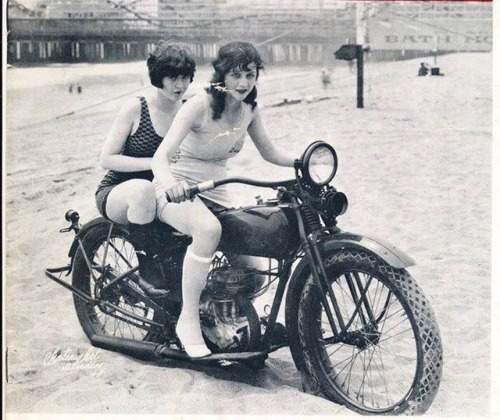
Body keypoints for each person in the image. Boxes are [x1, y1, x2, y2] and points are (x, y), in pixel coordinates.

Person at [151, 41, 296, 358]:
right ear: (221, 76)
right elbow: (160, 159)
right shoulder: (198, 106)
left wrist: (305, 162)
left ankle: (227, 317)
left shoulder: (250, 111)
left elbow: (270, 153)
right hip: (176, 188)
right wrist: (170, 184)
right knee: (208, 230)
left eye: (250, 74)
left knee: (253, 265)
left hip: (217, 190)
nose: (243, 83)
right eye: (235, 75)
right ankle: (187, 321)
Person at [95, 42, 196, 294]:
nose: (180, 85)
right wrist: (154, 163)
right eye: (172, 77)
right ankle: (146, 271)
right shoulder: (136, 107)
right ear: (157, 77)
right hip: (122, 192)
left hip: (164, 192)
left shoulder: (188, 108)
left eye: (185, 77)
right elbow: (107, 158)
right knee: (143, 190)